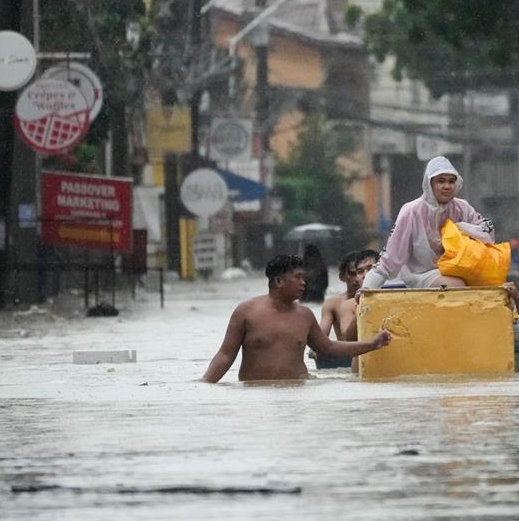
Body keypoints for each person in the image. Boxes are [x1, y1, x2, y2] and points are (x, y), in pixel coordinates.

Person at [202, 254, 391, 382]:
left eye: (304, 277)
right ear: (278, 281)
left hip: (298, 395)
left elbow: (329, 347)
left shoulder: (304, 315)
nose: (304, 282)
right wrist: (204, 385)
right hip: (256, 398)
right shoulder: (246, 312)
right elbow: (225, 355)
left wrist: (371, 344)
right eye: (298, 277)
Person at [360, 155, 494, 291]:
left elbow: (487, 232)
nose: (447, 186)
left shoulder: (462, 207)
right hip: (422, 274)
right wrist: (367, 288)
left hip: (461, 269)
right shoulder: (411, 211)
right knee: (456, 286)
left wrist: (461, 228)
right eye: (441, 181)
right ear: (429, 184)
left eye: (451, 181)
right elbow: (390, 257)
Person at [318, 250, 361, 338]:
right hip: (346, 351)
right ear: (342, 276)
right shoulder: (332, 304)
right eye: (352, 274)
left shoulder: (378, 300)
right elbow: (320, 340)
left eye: (361, 273)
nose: (357, 278)